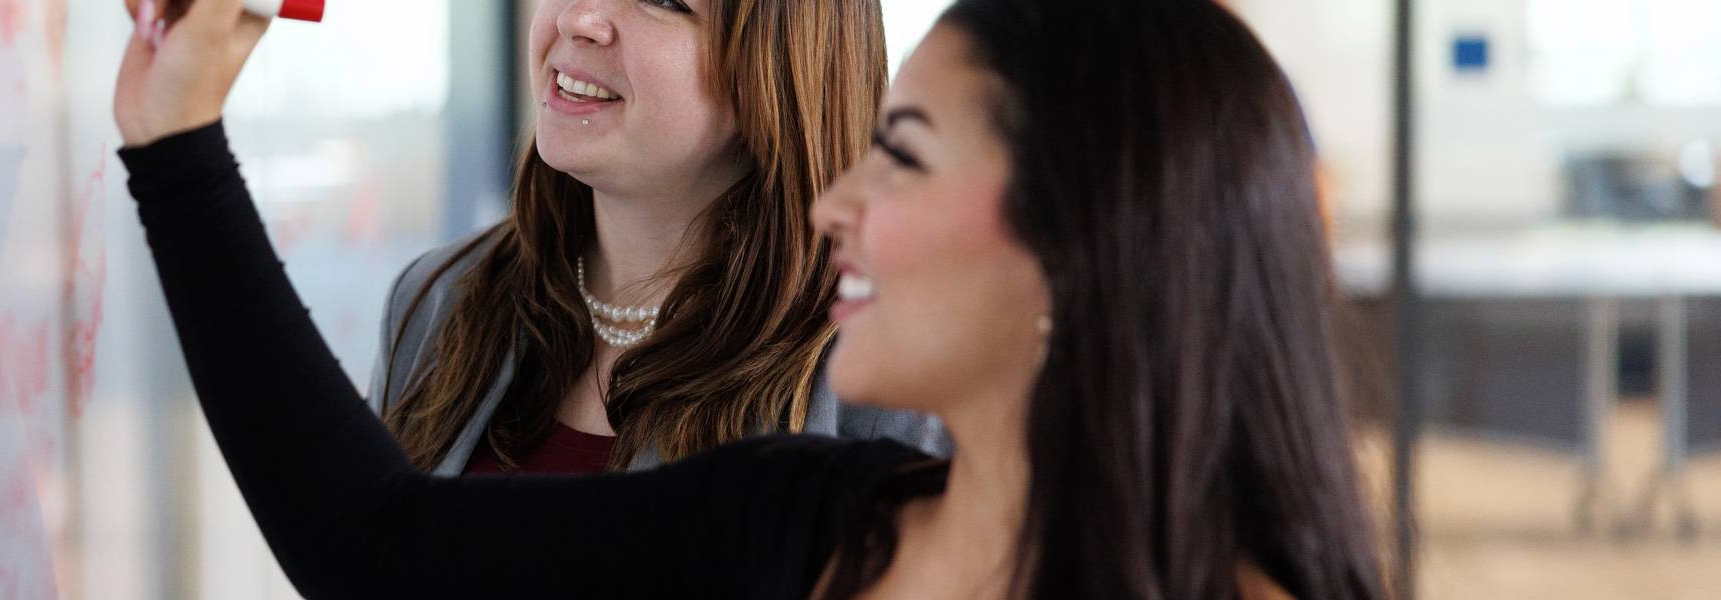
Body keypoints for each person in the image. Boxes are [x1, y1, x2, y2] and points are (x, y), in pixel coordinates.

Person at [112, 0, 1385, 597]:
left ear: (1084, 245)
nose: (844, 202)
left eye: (906, 153)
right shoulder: (800, 523)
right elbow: (371, 550)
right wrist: (177, 142)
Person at [367, 0, 945, 476]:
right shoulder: (438, 300)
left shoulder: (892, 368)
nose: (579, 18)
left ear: (782, 68)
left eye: (661, 2)